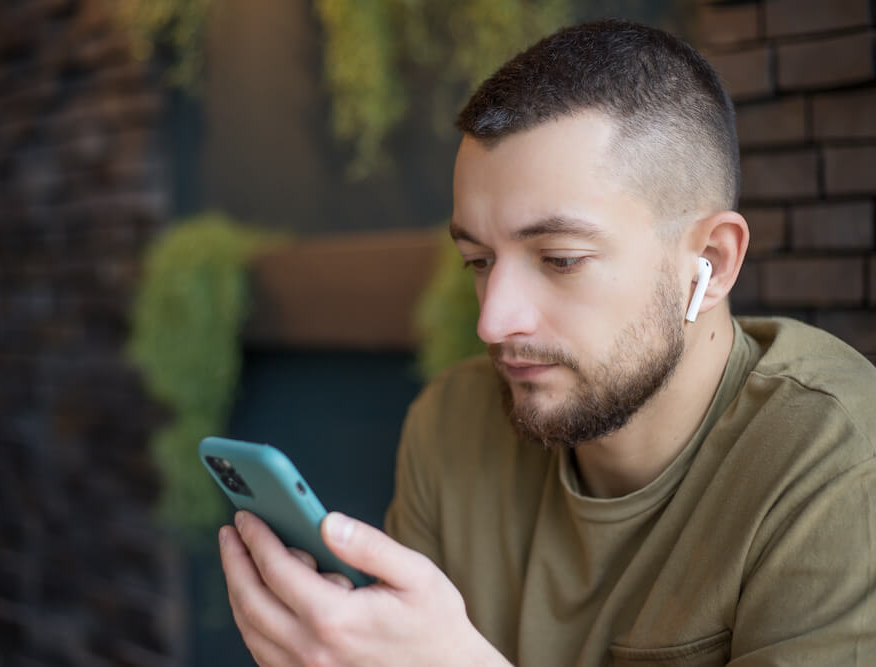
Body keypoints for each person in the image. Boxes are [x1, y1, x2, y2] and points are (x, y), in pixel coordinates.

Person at [218, 19, 876, 666]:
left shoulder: (839, 463)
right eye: (478, 261)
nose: (493, 322)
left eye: (560, 258)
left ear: (711, 261)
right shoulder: (450, 425)